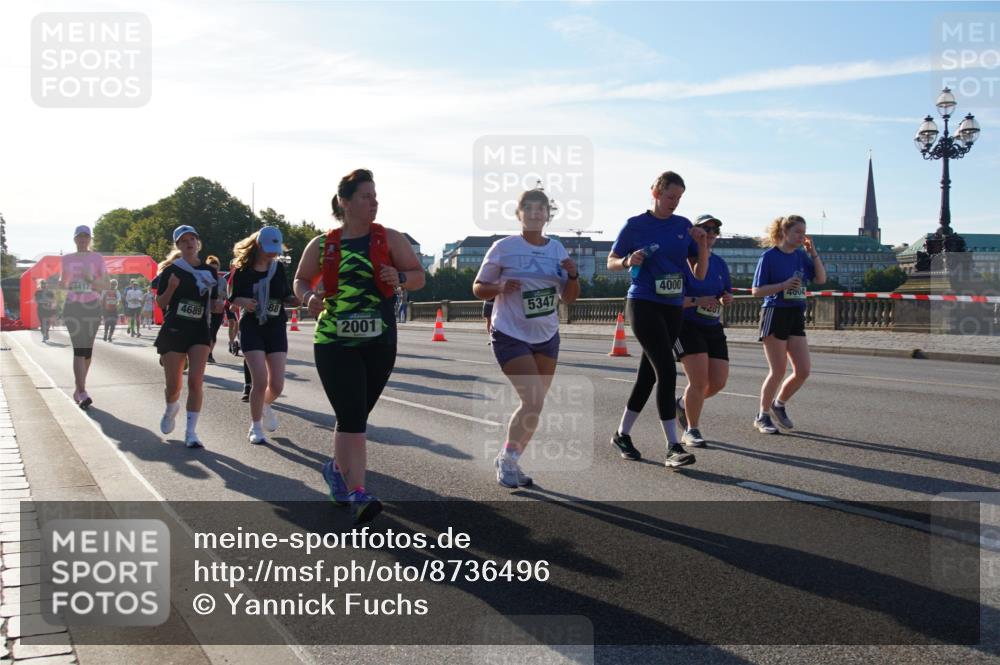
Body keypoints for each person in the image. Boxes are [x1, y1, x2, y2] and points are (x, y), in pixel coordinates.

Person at [293, 168, 425, 524]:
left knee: (355, 415)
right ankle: (359, 493)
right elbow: (301, 279)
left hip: (380, 340)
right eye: (366, 196)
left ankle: (336, 471)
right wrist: (308, 298)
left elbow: (418, 276)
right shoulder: (322, 244)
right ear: (344, 202)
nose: (374, 203)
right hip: (334, 340)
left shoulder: (390, 239)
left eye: (375, 196)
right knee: (353, 418)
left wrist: (398, 277)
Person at [473, 188, 579, 487]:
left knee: (536, 404)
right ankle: (507, 460)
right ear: (519, 214)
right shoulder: (503, 247)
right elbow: (479, 287)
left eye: (541, 209)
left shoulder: (557, 249)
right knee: (531, 400)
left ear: (548, 215)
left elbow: (569, 299)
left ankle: (512, 458)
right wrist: (500, 287)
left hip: (546, 334)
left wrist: (573, 276)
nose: (535, 214)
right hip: (510, 332)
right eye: (529, 209)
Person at [606, 171, 709, 468]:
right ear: (655, 193)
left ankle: (621, 434)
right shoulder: (636, 225)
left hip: (672, 307)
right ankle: (673, 446)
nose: (674, 203)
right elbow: (611, 261)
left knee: (648, 375)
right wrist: (627, 260)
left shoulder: (683, 226)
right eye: (670, 197)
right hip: (643, 302)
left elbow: (699, 274)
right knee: (666, 369)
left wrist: (702, 245)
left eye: (679, 198)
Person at [751, 215, 826, 434]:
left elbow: (821, 279)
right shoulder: (769, 257)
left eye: (804, 233)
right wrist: (783, 285)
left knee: (803, 370)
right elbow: (757, 291)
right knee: (778, 370)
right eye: (797, 232)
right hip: (774, 313)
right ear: (784, 232)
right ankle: (762, 415)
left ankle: (779, 404)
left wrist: (813, 253)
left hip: (795, 313)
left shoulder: (802, 256)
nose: (802, 236)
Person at [230, 227, 298, 445]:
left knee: (277, 385)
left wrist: (295, 299)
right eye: (269, 249)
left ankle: (265, 405)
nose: (272, 254)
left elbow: (285, 293)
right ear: (258, 245)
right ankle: (255, 426)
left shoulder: (277, 268)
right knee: (259, 381)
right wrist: (244, 302)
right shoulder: (242, 269)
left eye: (275, 250)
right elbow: (232, 298)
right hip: (252, 327)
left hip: (275, 326)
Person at [154, 225, 220, 448]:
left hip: (199, 330)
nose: (189, 243)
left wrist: (219, 306)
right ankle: (171, 407)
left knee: (196, 381)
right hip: (175, 330)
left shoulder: (209, 272)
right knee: (174, 385)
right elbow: (161, 304)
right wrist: (171, 288)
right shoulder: (171, 271)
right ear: (178, 246)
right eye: (183, 241)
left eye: (192, 239)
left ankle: (191, 432)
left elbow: (213, 303)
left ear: (198, 242)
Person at [672, 214, 734, 447]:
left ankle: (682, 404)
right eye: (705, 229)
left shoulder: (719, 264)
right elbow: (673, 299)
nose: (710, 234)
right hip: (686, 326)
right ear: (695, 233)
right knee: (698, 381)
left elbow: (724, 293)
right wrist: (699, 300)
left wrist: (725, 298)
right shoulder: (682, 262)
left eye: (715, 230)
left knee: (717, 382)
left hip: (712, 326)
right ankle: (692, 429)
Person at [60, 225, 108, 409]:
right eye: (79, 237)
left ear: (90, 239)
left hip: (92, 306)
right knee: (79, 348)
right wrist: (64, 284)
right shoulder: (66, 259)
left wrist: (89, 280)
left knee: (87, 351)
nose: (82, 240)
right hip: (73, 306)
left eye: (86, 236)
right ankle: (82, 391)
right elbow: (63, 284)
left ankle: (79, 389)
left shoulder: (97, 258)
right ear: (74, 239)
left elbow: (105, 284)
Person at [205, 255, 226, 364]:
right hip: (206, 309)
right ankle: (204, 353)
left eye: (215, 268)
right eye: (211, 268)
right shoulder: (203, 279)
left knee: (213, 333)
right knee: (205, 332)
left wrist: (219, 294)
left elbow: (227, 294)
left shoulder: (222, 281)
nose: (213, 270)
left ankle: (209, 353)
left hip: (218, 309)